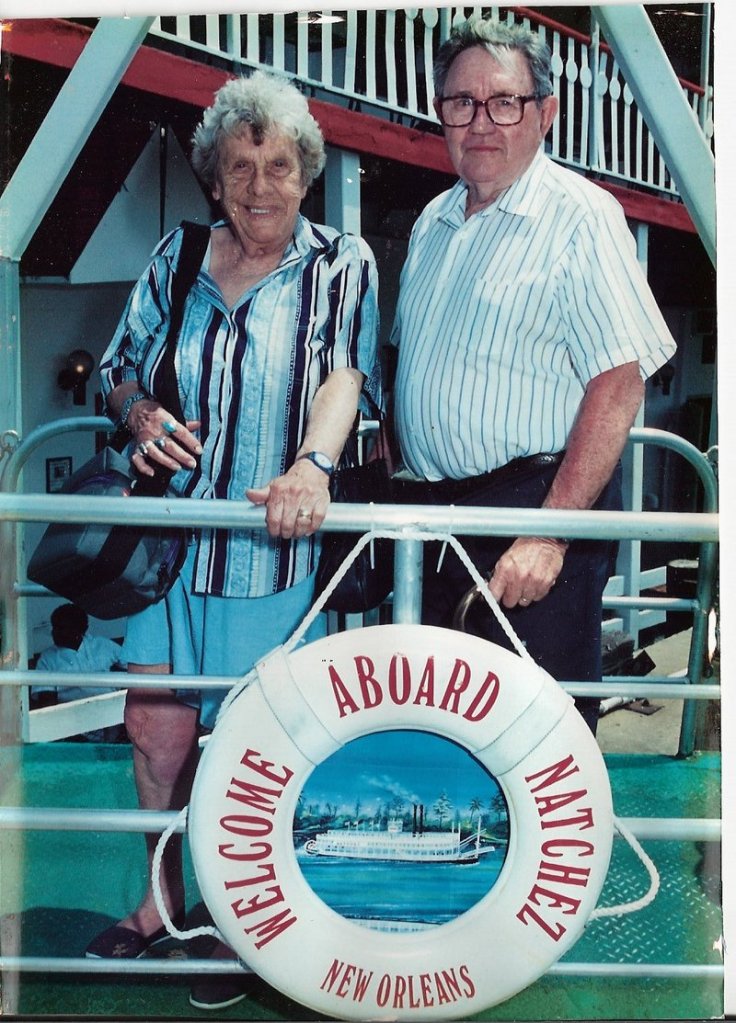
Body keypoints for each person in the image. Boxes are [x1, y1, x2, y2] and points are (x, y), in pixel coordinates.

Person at [87, 70, 381, 1012]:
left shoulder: (343, 263)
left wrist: (313, 467)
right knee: (159, 738)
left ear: (308, 175)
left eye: (280, 165)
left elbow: (345, 376)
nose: (261, 184)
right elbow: (115, 370)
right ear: (215, 175)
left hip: (276, 560)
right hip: (169, 557)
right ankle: (159, 904)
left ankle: (258, 920)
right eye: (241, 165)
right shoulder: (174, 260)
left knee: (264, 752)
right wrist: (137, 415)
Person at [386, 15, 677, 732]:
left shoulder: (581, 217)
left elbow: (618, 384)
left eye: (504, 101)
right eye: (461, 102)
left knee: (538, 751)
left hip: (532, 525)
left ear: (546, 112)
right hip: (438, 528)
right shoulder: (432, 222)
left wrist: (548, 534)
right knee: (445, 734)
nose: (481, 121)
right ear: (441, 113)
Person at [32, 603, 125, 741]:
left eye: (62, 628)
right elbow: (47, 703)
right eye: (55, 627)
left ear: (81, 629)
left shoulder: (101, 645)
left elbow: (132, 667)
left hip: (112, 716)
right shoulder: (47, 659)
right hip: (75, 723)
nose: (55, 633)